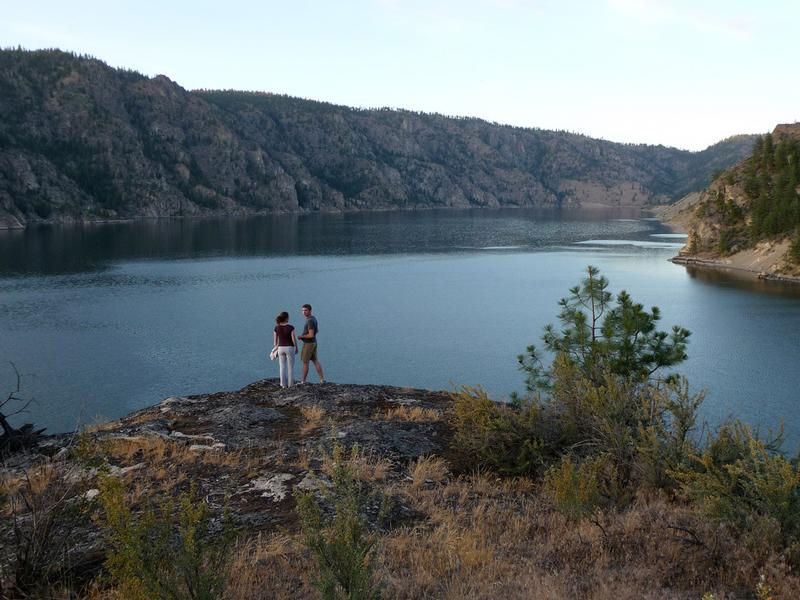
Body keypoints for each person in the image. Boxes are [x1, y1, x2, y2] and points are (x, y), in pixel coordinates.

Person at [298, 303, 325, 384]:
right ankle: (322, 379)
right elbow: (316, 331)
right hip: (314, 342)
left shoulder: (309, 320)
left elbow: (311, 334)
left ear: (310, 310)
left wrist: (301, 336)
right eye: (302, 310)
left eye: (305, 310)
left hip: (309, 344)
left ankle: (303, 381)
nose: (304, 312)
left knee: (305, 362)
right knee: (315, 360)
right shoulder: (313, 318)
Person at [273, 311, 298, 388]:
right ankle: (290, 385)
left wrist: (275, 349)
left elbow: (275, 342)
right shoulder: (291, 327)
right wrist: (296, 347)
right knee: (290, 367)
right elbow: (293, 339)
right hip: (290, 348)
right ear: (287, 318)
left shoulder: (276, 328)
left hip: (280, 348)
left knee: (282, 367)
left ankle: (283, 384)